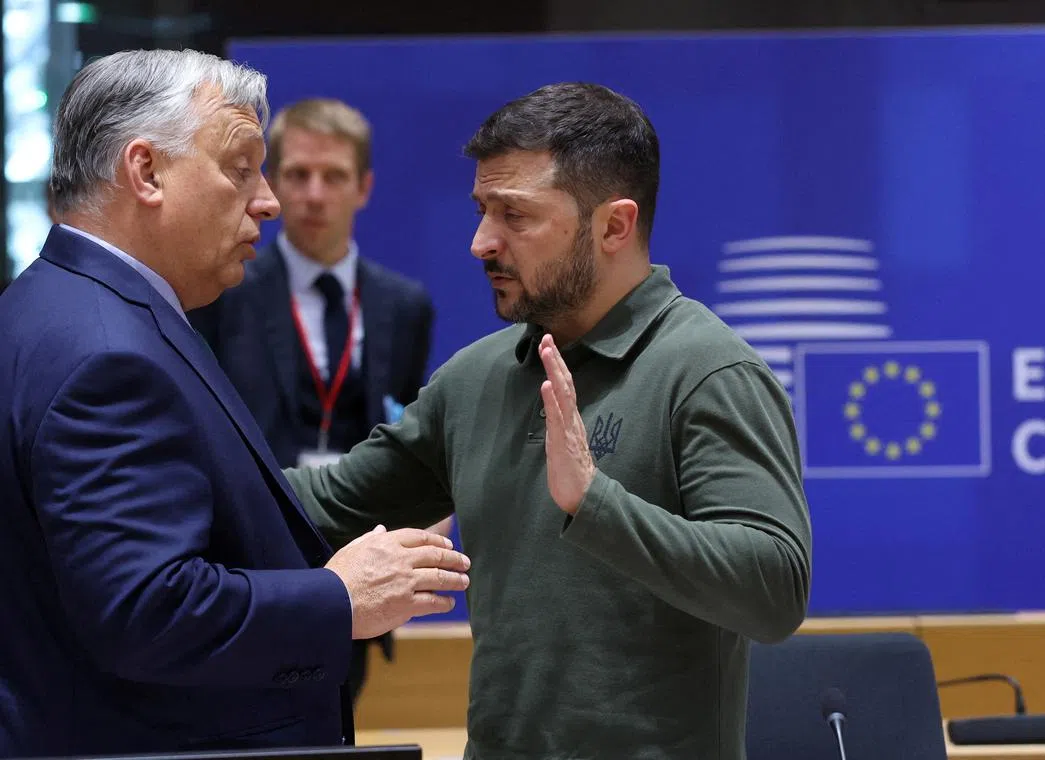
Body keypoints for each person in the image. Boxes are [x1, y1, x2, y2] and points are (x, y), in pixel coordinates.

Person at [287, 82, 813, 759]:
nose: (481, 242)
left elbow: (774, 591)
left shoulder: (708, 372)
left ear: (614, 226)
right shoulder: (475, 378)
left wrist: (596, 503)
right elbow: (322, 507)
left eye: (515, 216)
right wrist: (170, 470)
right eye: (482, 210)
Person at [0, 49, 470, 758]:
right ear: (146, 172)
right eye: (239, 167)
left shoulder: (54, 305)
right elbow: (146, 610)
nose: (270, 200)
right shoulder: (107, 353)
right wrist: (339, 597)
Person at [188, 98, 444, 701]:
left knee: (336, 717)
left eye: (333, 177)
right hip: (249, 557)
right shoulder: (226, 291)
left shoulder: (403, 305)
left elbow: (404, 423)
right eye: (297, 174)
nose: (313, 194)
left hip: (356, 552)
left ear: (364, 188)